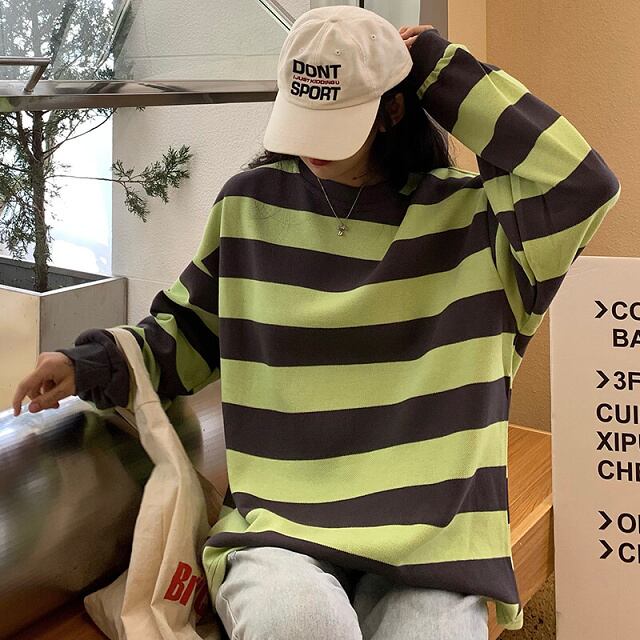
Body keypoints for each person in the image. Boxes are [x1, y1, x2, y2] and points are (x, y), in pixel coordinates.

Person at [12, 5, 621, 640]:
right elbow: (189, 333)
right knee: (300, 624)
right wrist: (86, 365)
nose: (310, 147)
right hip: (281, 527)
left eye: (337, 122)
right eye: (302, 117)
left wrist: (440, 69)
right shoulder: (250, 205)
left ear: (392, 110)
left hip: (433, 541)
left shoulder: (477, 224)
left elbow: (582, 185)